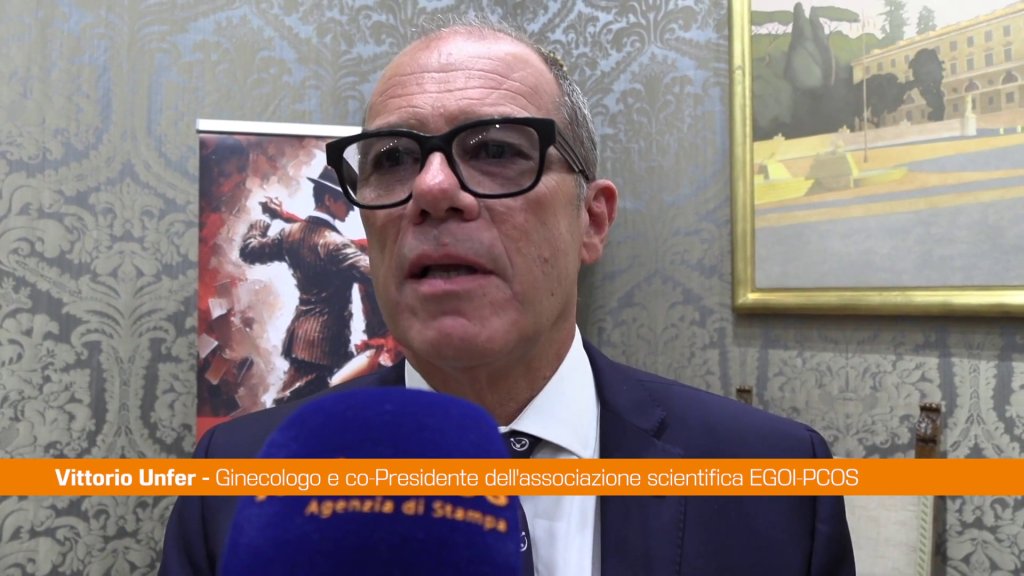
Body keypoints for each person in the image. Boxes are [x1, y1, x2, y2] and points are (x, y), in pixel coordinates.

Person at [160, 18, 855, 576]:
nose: (433, 189)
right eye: (394, 159)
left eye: (495, 151)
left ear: (593, 221)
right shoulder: (234, 483)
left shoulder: (775, 483)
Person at [238, 166, 370, 405]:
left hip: (303, 339)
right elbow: (374, 274)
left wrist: (265, 218)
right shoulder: (336, 244)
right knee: (295, 404)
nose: (351, 209)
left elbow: (250, 251)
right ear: (329, 199)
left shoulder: (291, 234)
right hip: (324, 345)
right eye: (346, 202)